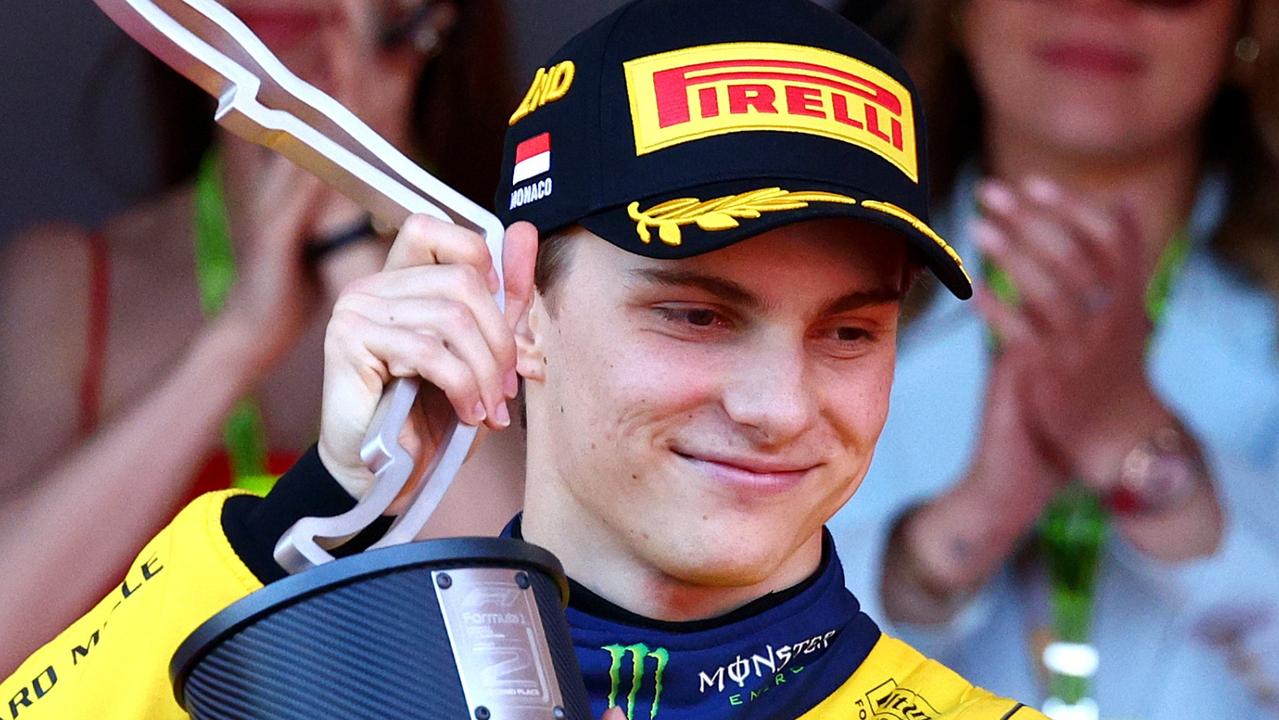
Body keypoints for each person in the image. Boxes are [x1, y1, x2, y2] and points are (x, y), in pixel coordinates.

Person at [2, 0, 1057, 718]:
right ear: (521, 309)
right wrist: (309, 517)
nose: (779, 406)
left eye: (848, 332)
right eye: (695, 314)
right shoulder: (345, 695)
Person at [0, 0, 522, 676]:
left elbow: (529, 636)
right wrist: (235, 344)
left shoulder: (529, 276)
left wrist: (351, 238)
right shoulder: (71, 279)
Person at [828, 0, 1279, 716]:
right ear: (955, 12)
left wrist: (1146, 459)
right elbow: (708, 660)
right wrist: (948, 542)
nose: (1096, 5)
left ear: (1248, 25)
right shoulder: (794, 289)